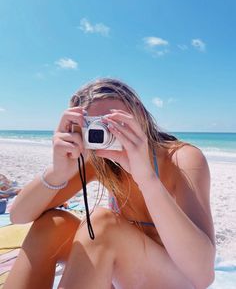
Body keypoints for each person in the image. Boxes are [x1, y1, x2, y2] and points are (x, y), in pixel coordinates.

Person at [4, 78, 216, 289]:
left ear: (140, 115)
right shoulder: (99, 161)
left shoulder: (181, 159)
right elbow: (19, 215)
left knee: (102, 222)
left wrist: (146, 178)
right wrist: (58, 173)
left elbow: (202, 276)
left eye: (114, 122)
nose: (106, 132)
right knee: (52, 223)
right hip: (123, 269)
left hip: (174, 276)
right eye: (95, 126)